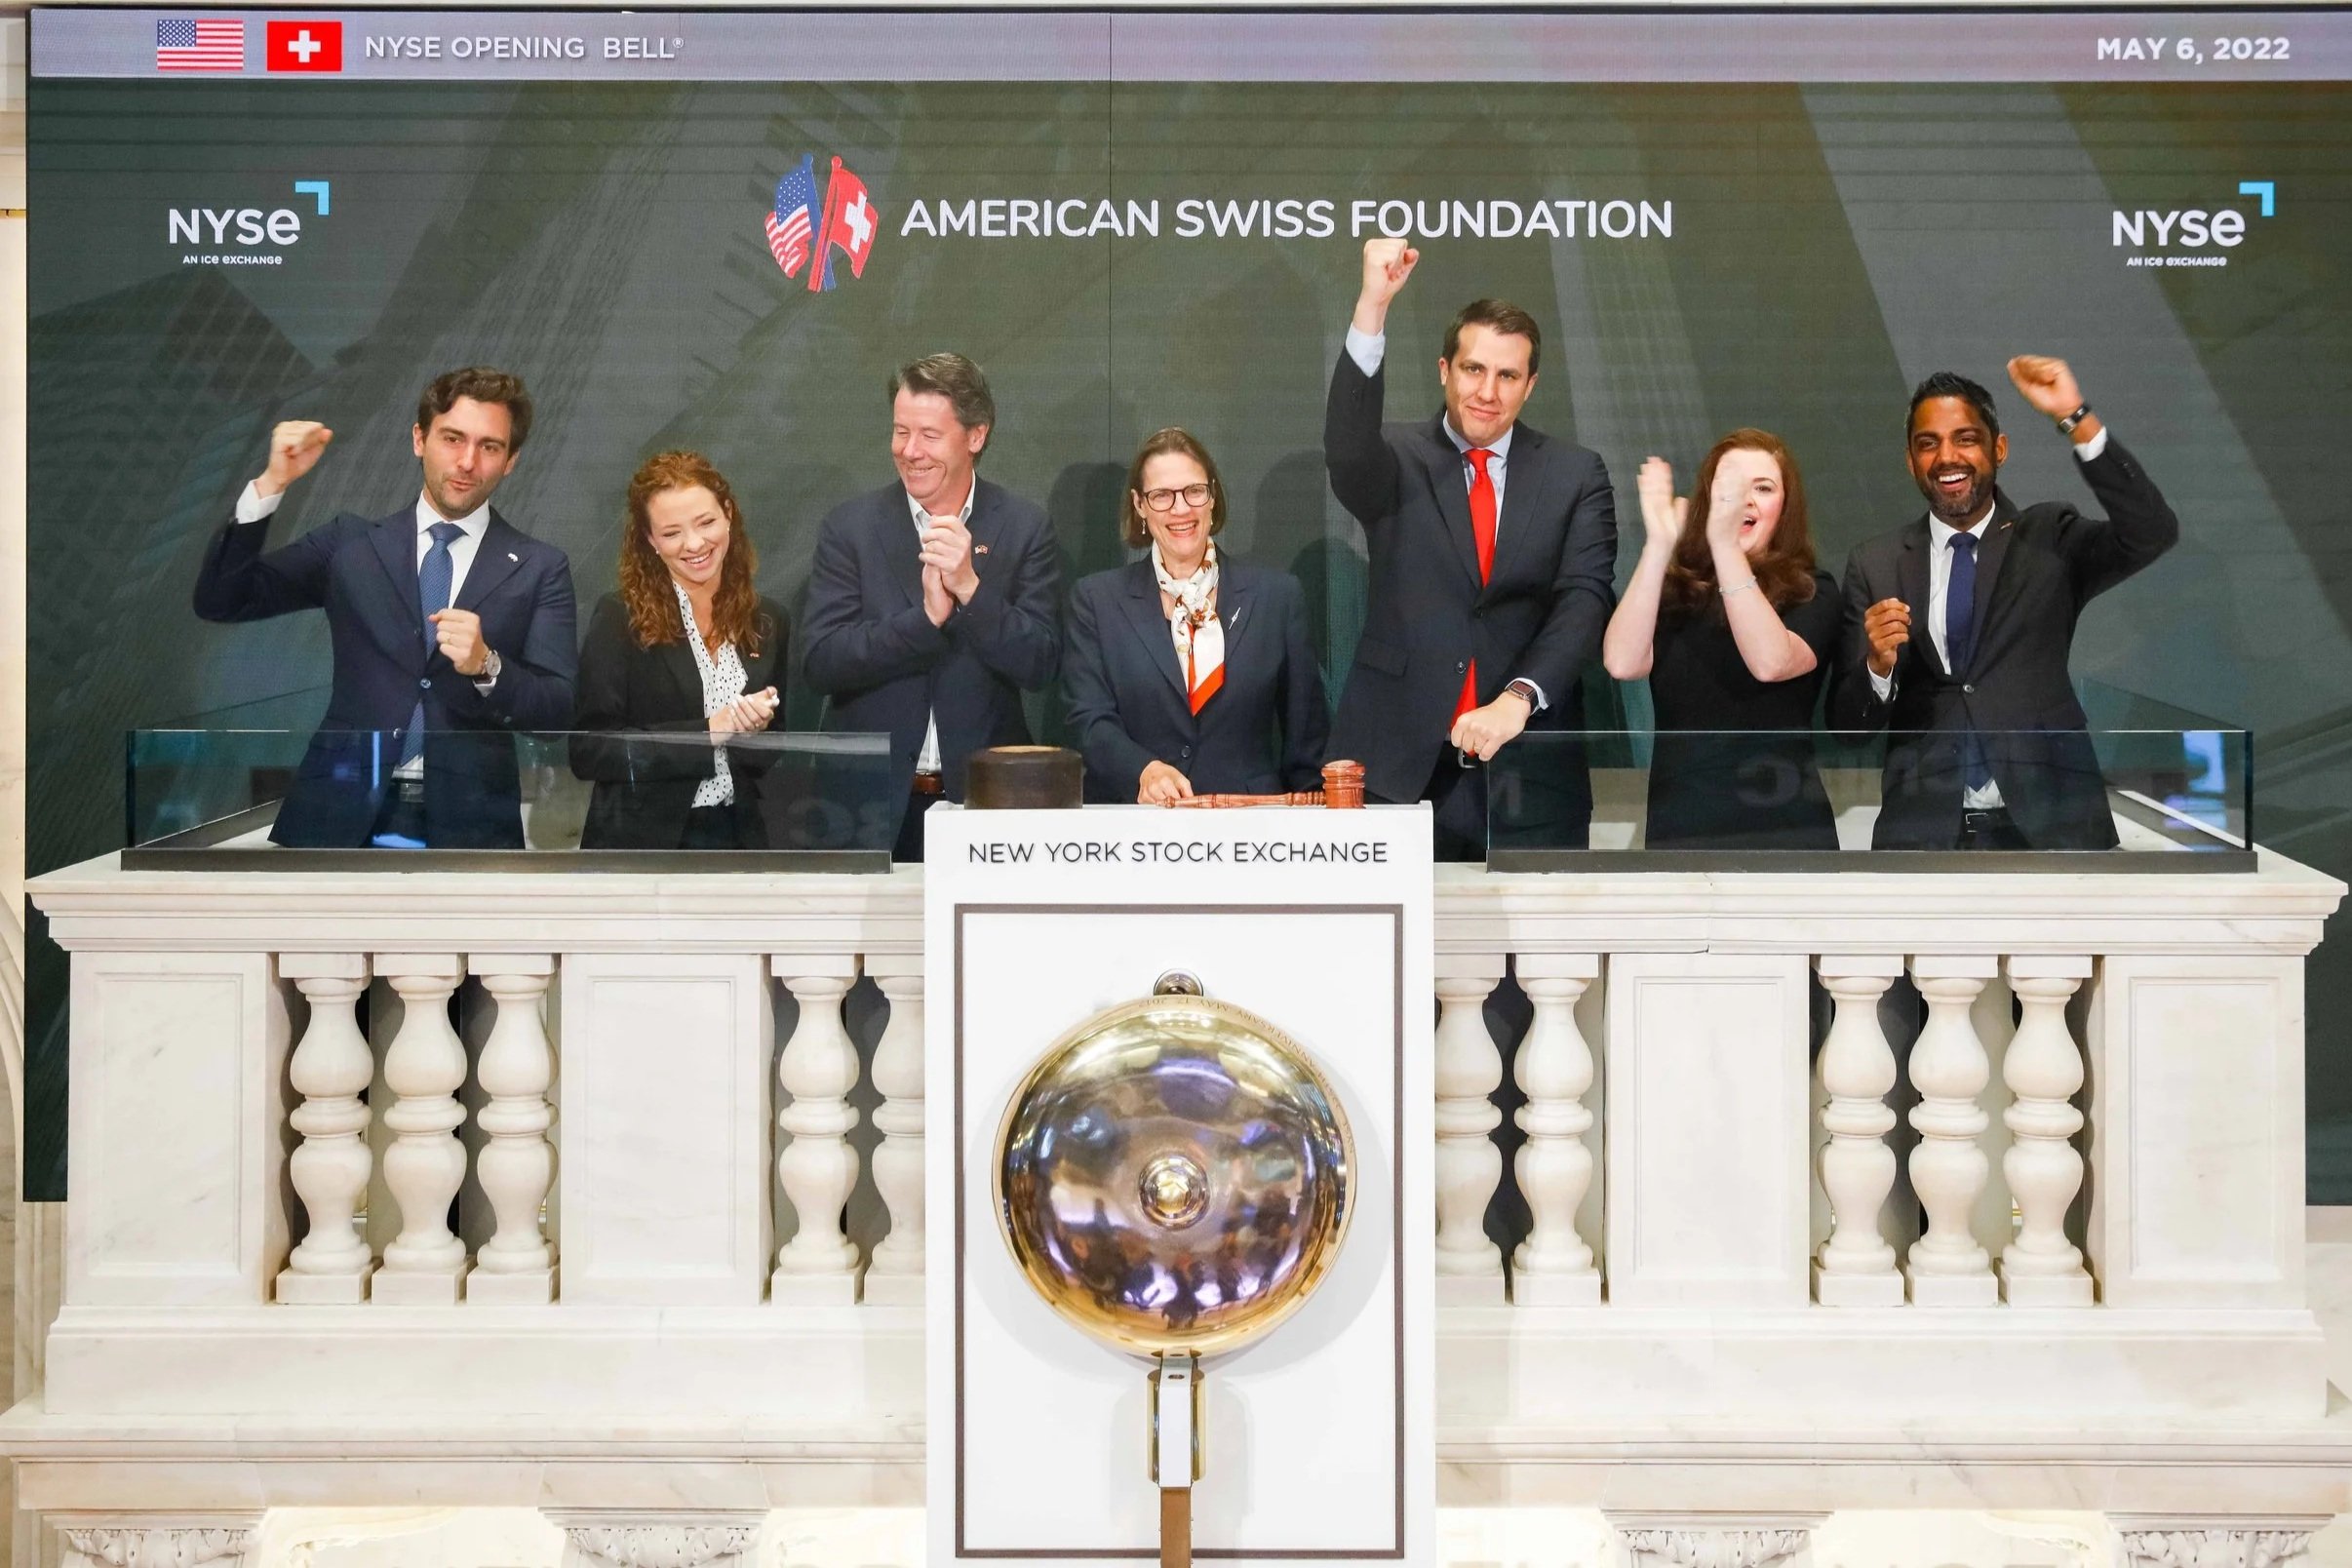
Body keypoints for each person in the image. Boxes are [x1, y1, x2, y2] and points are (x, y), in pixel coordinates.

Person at [192, 367, 577, 848]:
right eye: (452, 439)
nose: (467, 461)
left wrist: (488, 665)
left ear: (511, 461)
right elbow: (221, 600)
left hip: (471, 824)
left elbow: (556, 715)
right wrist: (271, 484)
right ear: (419, 439)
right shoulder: (349, 544)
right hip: (336, 810)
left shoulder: (540, 567)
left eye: (490, 447)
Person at [1323, 239, 1618, 859]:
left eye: (1507, 376)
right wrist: (1373, 304)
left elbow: (1584, 600)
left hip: (1530, 771)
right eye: (1473, 369)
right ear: (1444, 370)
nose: (1488, 390)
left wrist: (1518, 697)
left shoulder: (1575, 473)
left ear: (1530, 385)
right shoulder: (1395, 458)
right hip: (1396, 769)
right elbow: (1347, 449)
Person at [1827, 357, 2180, 849]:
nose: (1946, 456)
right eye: (1928, 444)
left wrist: (2076, 417)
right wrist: (1877, 668)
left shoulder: (2049, 537)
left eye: (1965, 439)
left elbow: (2152, 531)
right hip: (1924, 834)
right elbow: (1847, 730)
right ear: (1910, 461)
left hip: (2054, 825)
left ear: (1999, 449)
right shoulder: (1875, 563)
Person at [802, 353, 1060, 861]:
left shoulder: (1023, 527)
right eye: (901, 432)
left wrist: (970, 589)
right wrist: (924, 620)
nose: (910, 451)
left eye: (929, 435)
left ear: (976, 436)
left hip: (986, 809)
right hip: (864, 809)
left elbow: (1040, 662)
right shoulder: (851, 528)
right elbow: (821, 661)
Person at [1601, 430, 1841, 850]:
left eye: (1762, 488)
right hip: (1681, 828)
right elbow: (1621, 663)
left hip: (1786, 831)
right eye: (1730, 487)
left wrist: (1725, 546)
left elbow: (1770, 662)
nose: (1744, 501)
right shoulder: (1676, 592)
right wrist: (1659, 545)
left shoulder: (1812, 589)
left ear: (1785, 507)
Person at [1063, 428, 1329, 804]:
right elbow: (1087, 719)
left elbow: (1307, 739)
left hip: (1250, 824)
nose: (1181, 509)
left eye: (1194, 491)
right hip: (1136, 823)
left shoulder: (1277, 598)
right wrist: (1144, 770)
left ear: (1212, 497)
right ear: (1139, 505)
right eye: (1161, 496)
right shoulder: (1096, 601)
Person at [569, 451, 787, 849]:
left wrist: (755, 730)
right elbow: (590, 750)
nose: (695, 544)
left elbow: (773, 749)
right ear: (650, 540)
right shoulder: (621, 617)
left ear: (728, 514)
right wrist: (709, 732)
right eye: (672, 533)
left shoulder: (768, 619)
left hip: (738, 836)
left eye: (706, 522)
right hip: (644, 843)